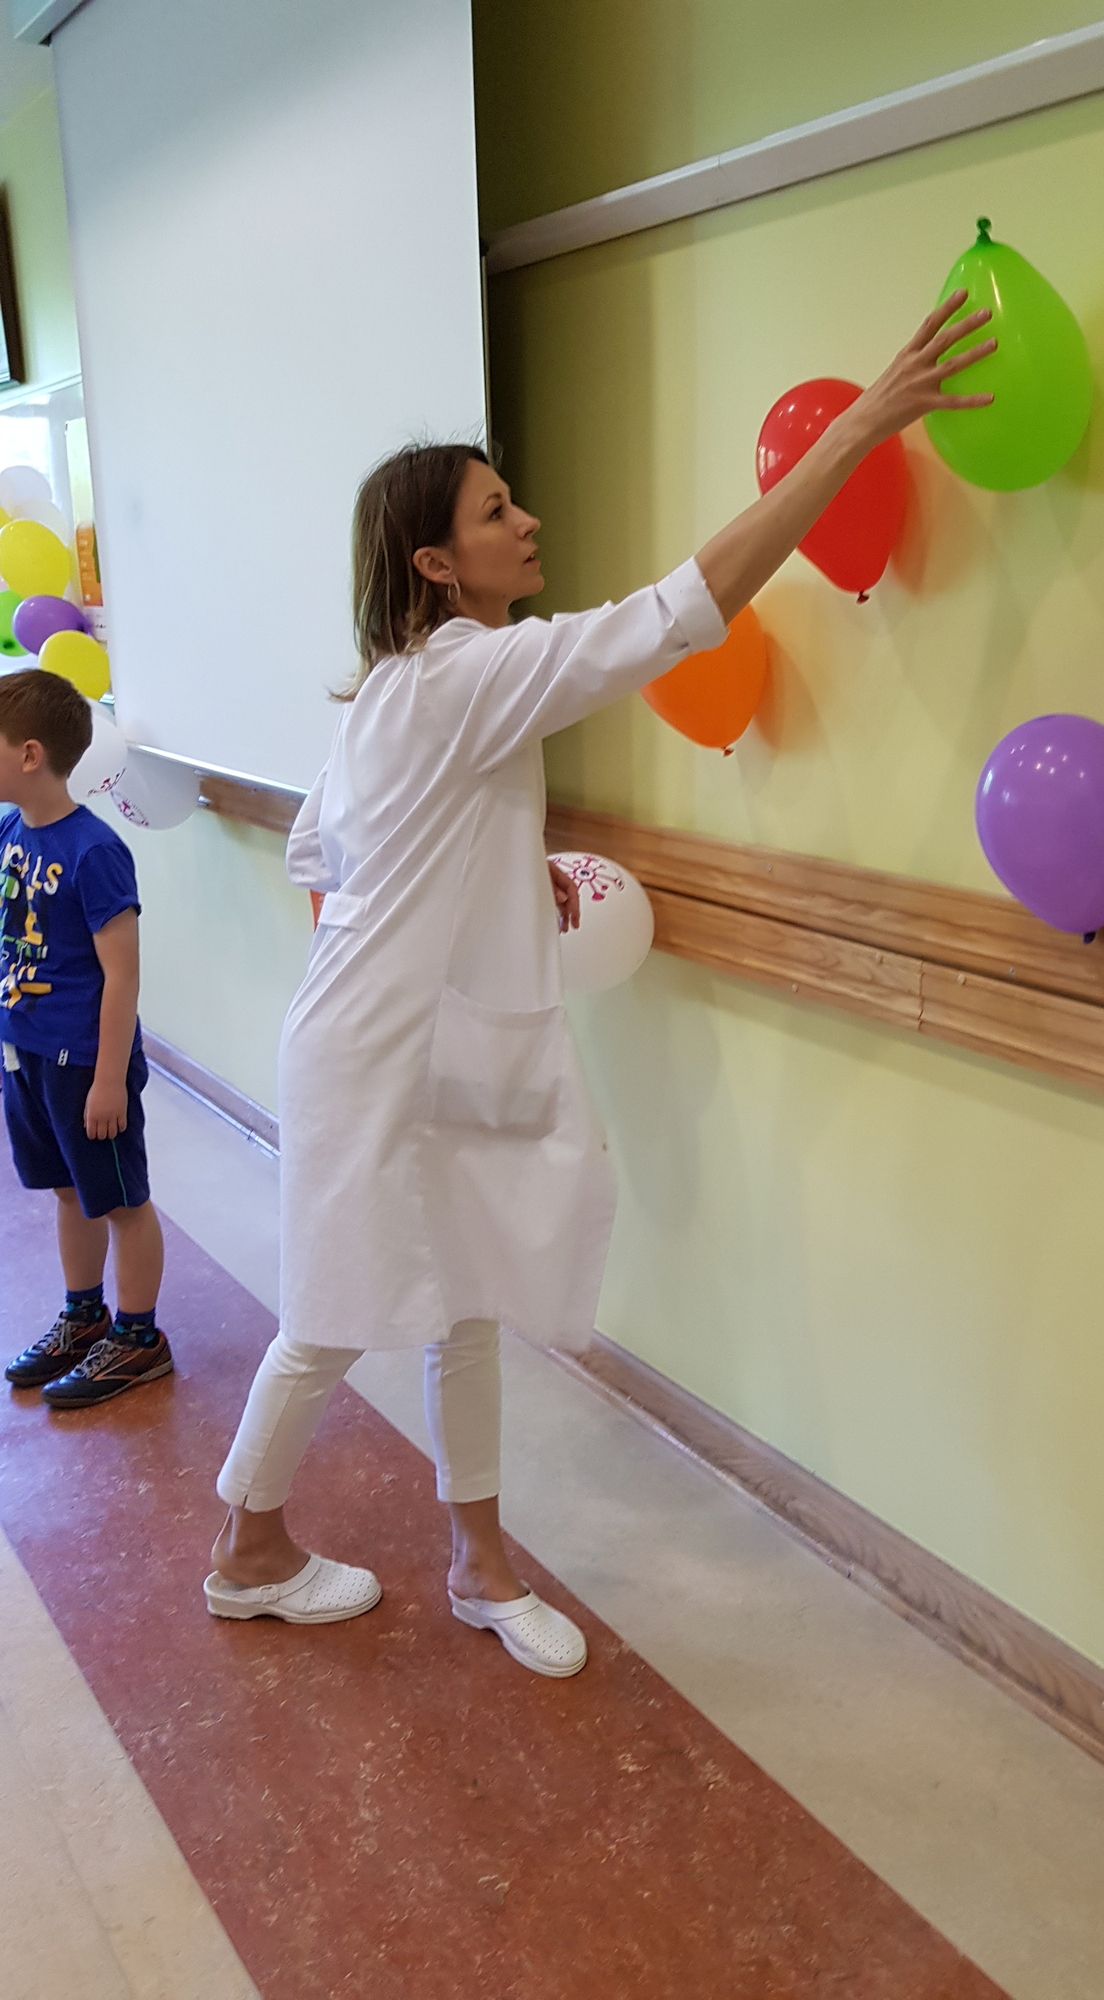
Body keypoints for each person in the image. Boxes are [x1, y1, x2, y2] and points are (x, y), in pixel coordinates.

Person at [205, 292, 995, 1673]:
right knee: (333, 1313)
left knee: (466, 1297)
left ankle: (481, 1563)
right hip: (374, 1055)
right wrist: (861, 428)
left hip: (418, 1038)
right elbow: (684, 611)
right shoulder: (463, 676)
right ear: (436, 564)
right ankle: (247, 1552)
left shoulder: (396, 688)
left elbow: (323, 853)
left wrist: (492, 882)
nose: (527, 522)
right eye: (495, 510)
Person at [1, 669, 172, 1407]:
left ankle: (139, 1338)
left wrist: (108, 1079)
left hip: (84, 1062)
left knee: (122, 1200)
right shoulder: (11, 833)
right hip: (27, 1053)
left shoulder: (94, 850)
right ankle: (84, 1315)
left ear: (30, 754)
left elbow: (122, 975)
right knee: (68, 1191)